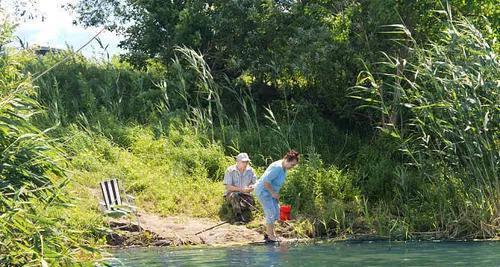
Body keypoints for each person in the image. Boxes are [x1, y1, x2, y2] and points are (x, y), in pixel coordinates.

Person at [254, 150, 300, 242]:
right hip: (263, 191)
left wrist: (275, 194)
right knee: (270, 212)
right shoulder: (277, 168)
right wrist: (273, 193)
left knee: (276, 212)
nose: (292, 167)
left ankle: (271, 233)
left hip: (271, 192)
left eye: (294, 165)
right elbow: (266, 182)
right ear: (286, 159)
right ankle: (270, 237)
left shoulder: (284, 168)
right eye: (292, 165)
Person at [223, 152, 257, 222]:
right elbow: (228, 187)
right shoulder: (230, 170)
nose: (245, 164)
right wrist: (241, 189)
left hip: (245, 194)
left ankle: (244, 211)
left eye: (247, 162)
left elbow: (255, 183)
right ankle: (238, 216)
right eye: (243, 162)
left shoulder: (251, 170)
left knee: (250, 202)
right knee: (235, 195)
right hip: (231, 194)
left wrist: (251, 187)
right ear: (237, 161)